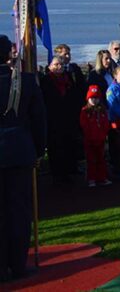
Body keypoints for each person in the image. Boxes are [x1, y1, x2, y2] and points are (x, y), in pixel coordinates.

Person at [0, 35, 46, 282]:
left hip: (16, 151)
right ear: (9, 53)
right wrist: (38, 150)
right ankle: (17, 264)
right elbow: (39, 120)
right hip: (18, 151)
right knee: (18, 210)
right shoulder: (26, 82)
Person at [40, 56, 82, 184]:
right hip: (53, 119)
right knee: (56, 147)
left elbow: (74, 96)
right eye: (56, 64)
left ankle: (69, 170)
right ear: (50, 66)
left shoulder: (68, 78)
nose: (59, 67)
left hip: (68, 118)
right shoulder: (46, 80)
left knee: (68, 144)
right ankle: (57, 174)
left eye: (61, 65)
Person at [79, 85, 111, 187]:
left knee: (101, 159)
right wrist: (89, 136)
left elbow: (106, 123)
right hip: (90, 140)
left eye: (96, 98)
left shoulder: (102, 111)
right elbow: (84, 125)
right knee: (91, 160)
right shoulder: (85, 111)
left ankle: (102, 177)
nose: (94, 100)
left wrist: (104, 134)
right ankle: (91, 178)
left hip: (100, 139)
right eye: (92, 98)